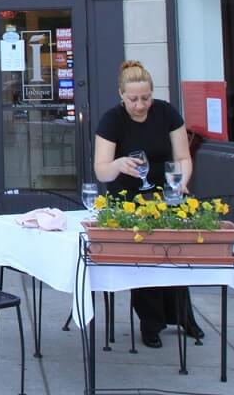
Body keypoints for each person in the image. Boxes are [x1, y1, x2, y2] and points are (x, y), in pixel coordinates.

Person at [94, 60, 199, 349]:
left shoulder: (166, 113)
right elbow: (101, 171)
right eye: (133, 99)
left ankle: (183, 316)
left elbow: (183, 158)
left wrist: (181, 181)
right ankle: (150, 323)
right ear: (121, 95)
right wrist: (118, 164)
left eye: (146, 98)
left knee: (177, 254)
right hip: (127, 201)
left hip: (166, 195)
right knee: (144, 257)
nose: (140, 105)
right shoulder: (111, 120)